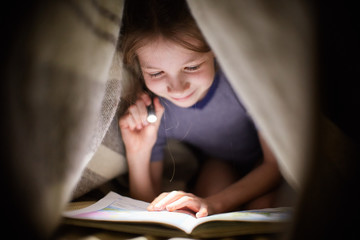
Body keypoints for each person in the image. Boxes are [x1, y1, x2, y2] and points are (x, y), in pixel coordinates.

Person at [118, 0, 283, 218]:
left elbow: (275, 164)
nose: (177, 88)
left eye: (192, 66)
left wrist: (215, 204)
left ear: (216, 48)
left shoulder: (243, 83)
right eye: (156, 73)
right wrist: (137, 153)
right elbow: (148, 206)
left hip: (270, 163)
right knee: (204, 198)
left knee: (264, 206)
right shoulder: (155, 112)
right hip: (219, 164)